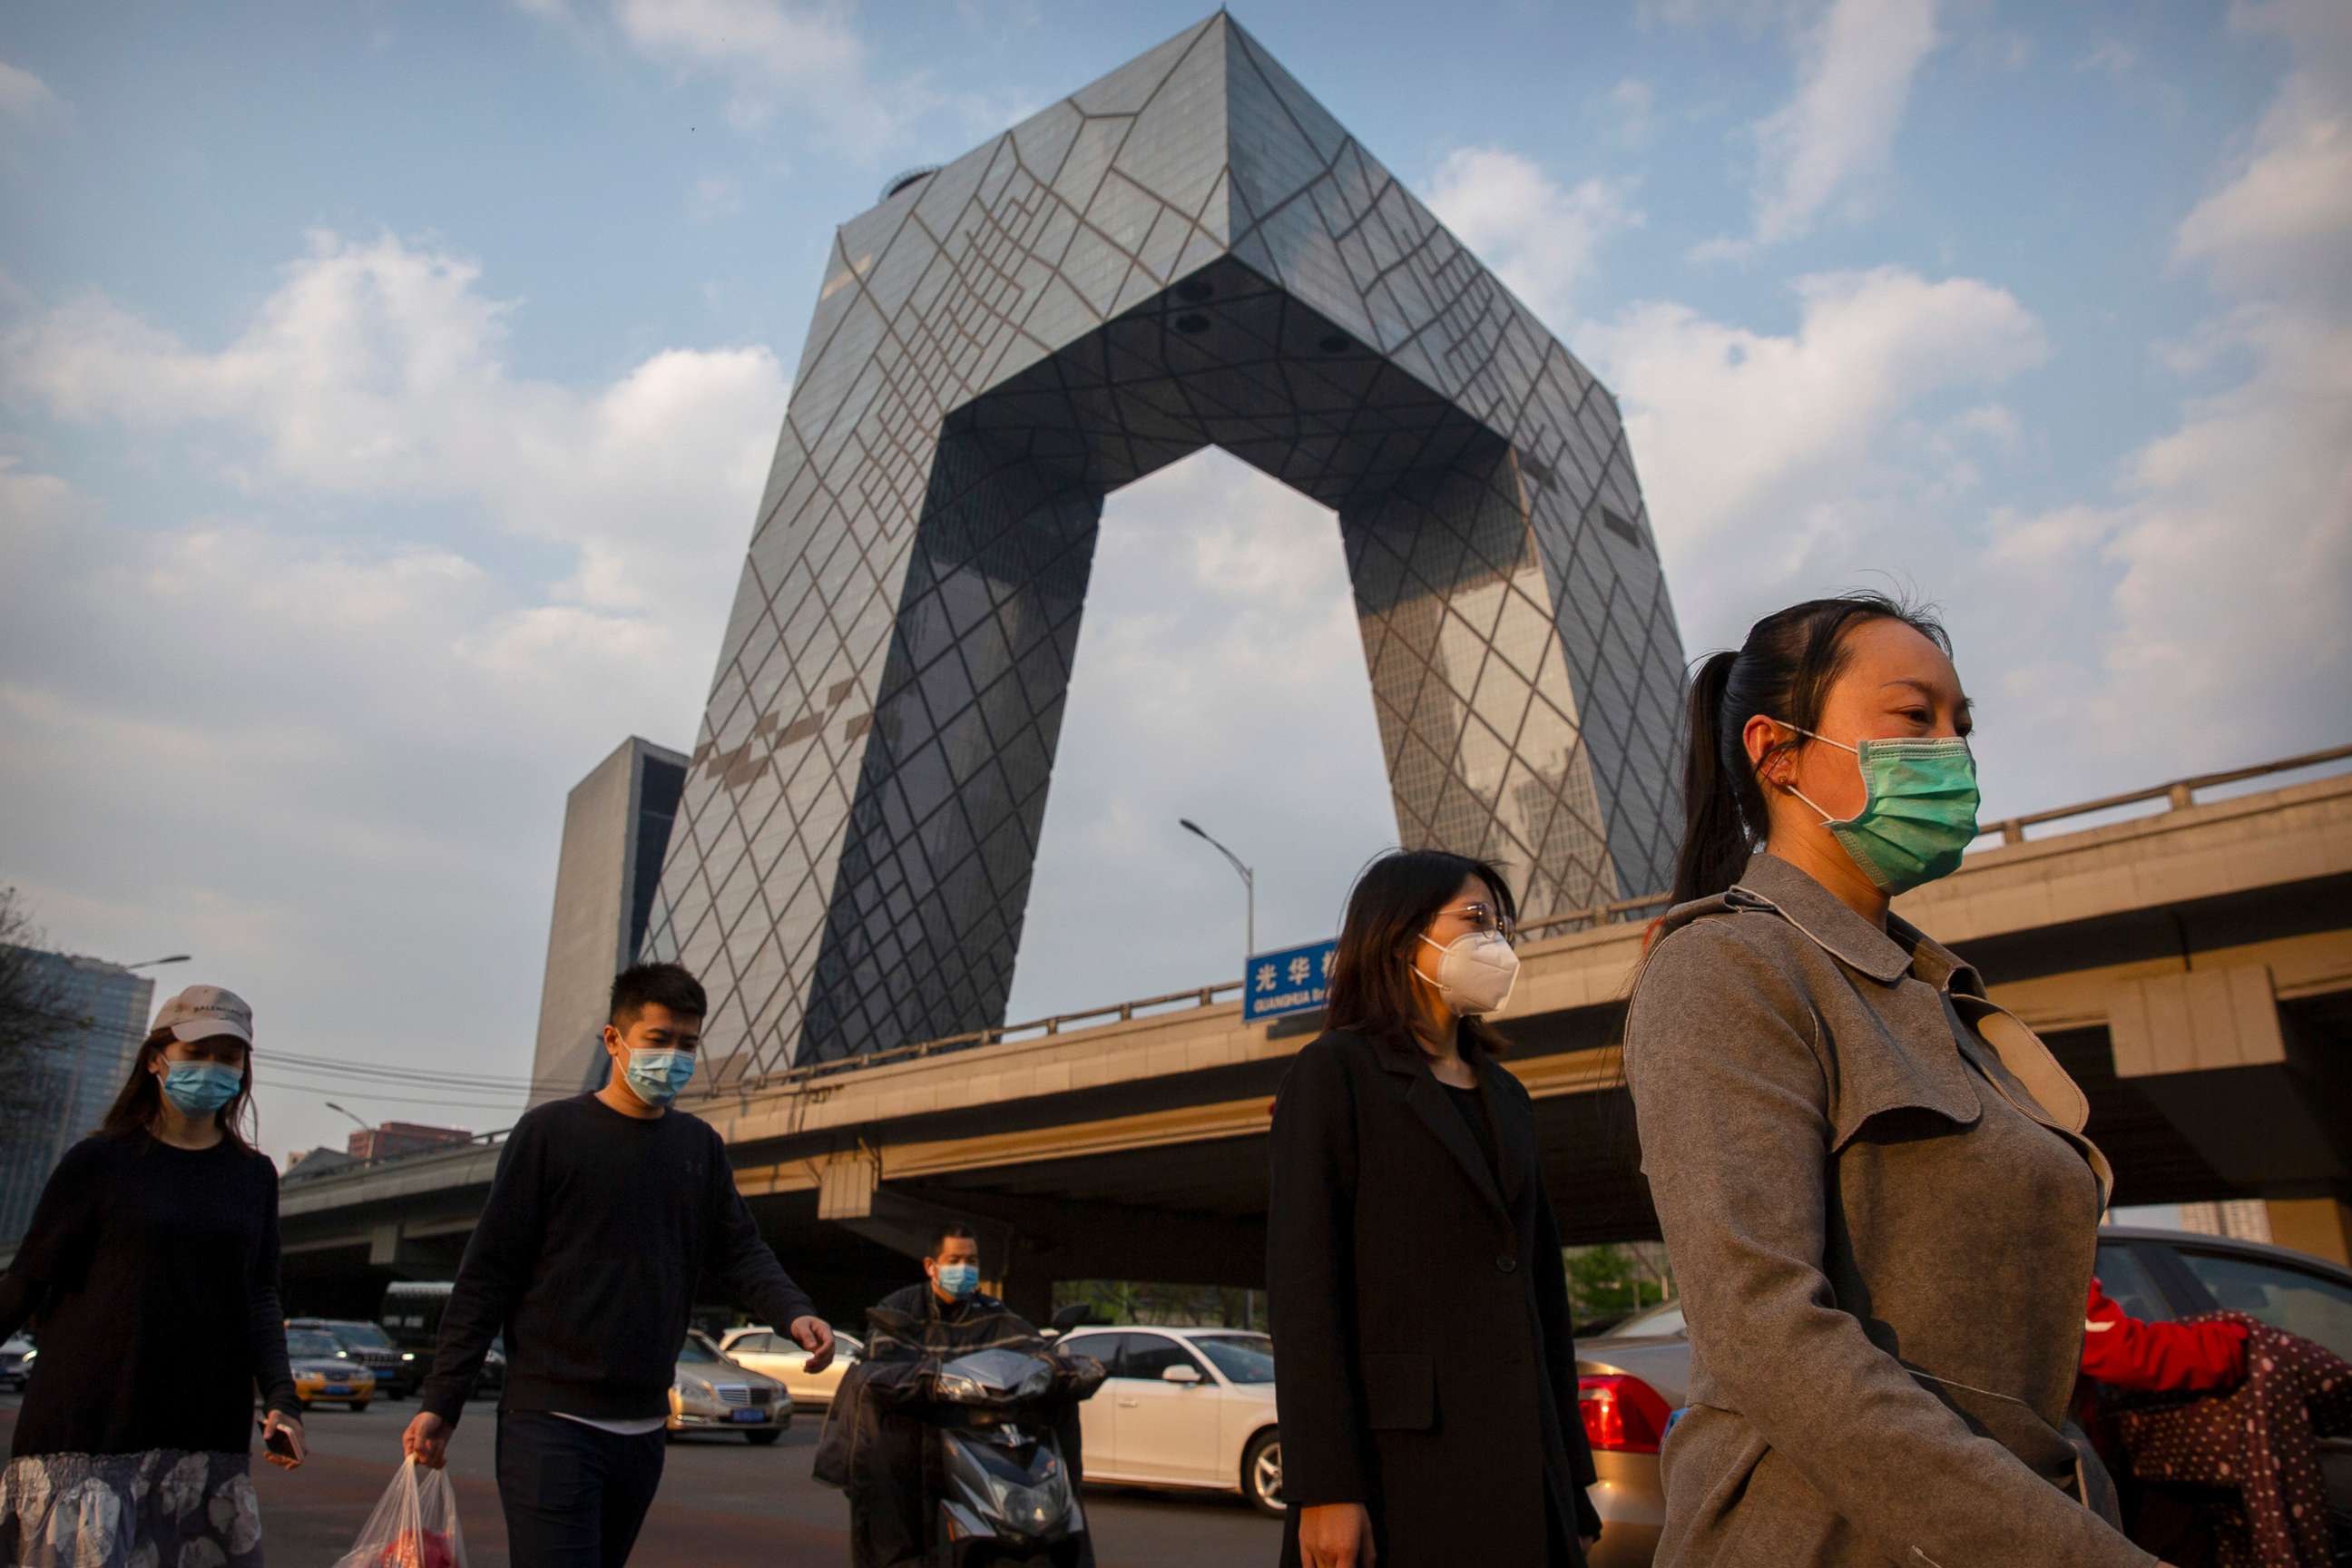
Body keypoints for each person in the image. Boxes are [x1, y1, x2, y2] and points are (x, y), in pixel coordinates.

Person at [1624, 593, 2170, 1566]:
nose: (1952, 751)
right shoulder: (1729, 967)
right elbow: (1764, 1333)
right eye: (1914, 718)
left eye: (1962, 725)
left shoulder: (1945, 1001)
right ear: (1776, 750)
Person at [400, 961, 834, 1568]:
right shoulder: (549, 1134)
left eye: (688, 1044)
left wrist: (795, 1312)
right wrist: (442, 1400)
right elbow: (487, 1276)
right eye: (659, 1040)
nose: (675, 1058)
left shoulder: (698, 1148)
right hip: (549, 1424)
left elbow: (739, 1249)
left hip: (643, 1429)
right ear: (615, 1039)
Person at [1268, 849, 1602, 1568]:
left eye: (1502, 925)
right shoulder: (1336, 1074)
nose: (1496, 943)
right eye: (1475, 919)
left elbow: (1544, 1300)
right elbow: (1305, 1298)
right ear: (1399, 933)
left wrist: (1572, 1485)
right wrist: (1325, 1488)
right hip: (1400, 1472)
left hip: (1524, 1466)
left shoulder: (1507, 1094)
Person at [0, 985, 305, 1568]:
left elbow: (259, 1294)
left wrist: (282, 1399)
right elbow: (26, 1283)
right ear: (155, 1059)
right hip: (90, 1428)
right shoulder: (98, 1163)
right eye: (197, 1054)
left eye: (229, 1058)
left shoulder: (254, 1177)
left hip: (201, 1437)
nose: (213, 1070)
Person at [830, 1223, 1095, 1568]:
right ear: (931, 1266)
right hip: (921, 1443)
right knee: (887, 1452)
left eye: (971, 1261)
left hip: (985, 1442)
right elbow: (880, 1368)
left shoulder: (993, 1312)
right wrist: (932, 1380)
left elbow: (1032, 1348)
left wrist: (1059, 1368)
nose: (964, 1269)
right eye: (954, 1259)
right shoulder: (900, 1311)